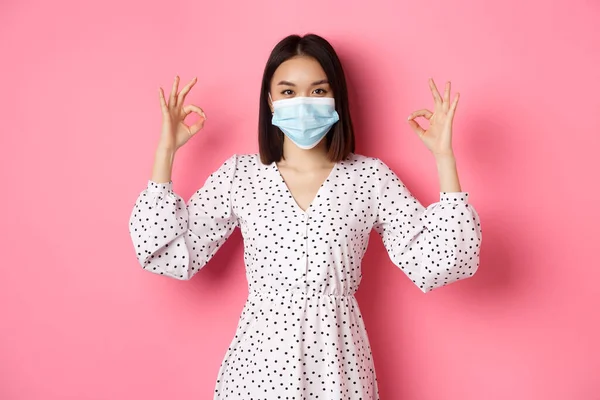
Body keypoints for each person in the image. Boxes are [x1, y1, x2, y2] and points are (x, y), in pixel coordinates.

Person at [128, 33, 482, 400]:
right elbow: (168, 253)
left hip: (339, 366)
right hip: (257, 369)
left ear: (336, 98)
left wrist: (445, 158)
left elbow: (439, 262)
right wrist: (165, 150)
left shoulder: (369, 177)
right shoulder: (240, 176)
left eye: (317, 91)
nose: (302, 103)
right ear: (269, 100)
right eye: (287, 91)